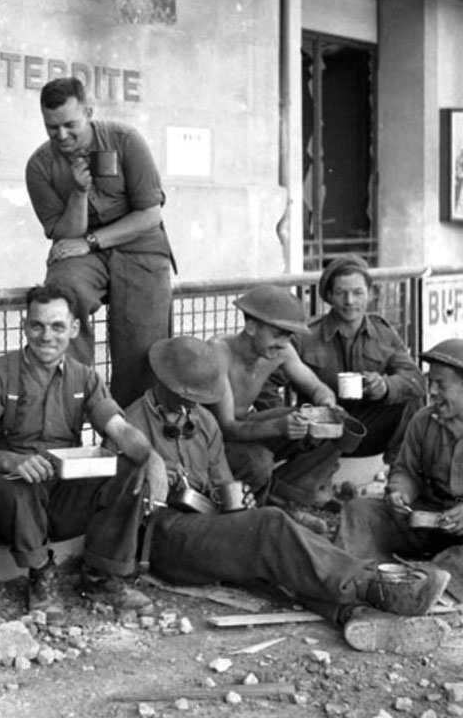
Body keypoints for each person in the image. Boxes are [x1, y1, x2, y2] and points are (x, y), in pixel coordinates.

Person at [126, 336, 450, 654]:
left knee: (282, 554)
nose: (191, 404)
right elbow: (121, 504)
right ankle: (375, 586)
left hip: (207, 527)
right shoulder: (132, 424)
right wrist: (153, 478)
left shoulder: (203, 421)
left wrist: (237, 502)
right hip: (164, 537)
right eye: (185, 395)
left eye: (197, 396)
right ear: (164, 381)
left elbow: (223, 486)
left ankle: (354, 614)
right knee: (271, 527)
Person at [0, 282, 169, 622]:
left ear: (73, 329)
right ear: (26, 327)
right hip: (9, 499)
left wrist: (152, 459)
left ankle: (101, 577)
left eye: (57, 326)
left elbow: (119, 429)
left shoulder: (84, 378)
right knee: (16, 484)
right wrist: (14, 461)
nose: (46, 336)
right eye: (37, 325)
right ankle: (41, 576)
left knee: (127, 469)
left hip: (58, 494)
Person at [25, 77, 175, 408]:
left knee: (142, 349)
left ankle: (132, 431)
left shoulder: (125, 141)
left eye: (70, 125)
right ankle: (71, 405)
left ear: (89, 112)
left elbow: (150, 215)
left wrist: (92, 241)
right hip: (83, 252)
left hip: (140, 246)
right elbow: (64, 235)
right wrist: (78, 193)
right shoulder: (39, 166)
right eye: (52, 128)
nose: (61, 136)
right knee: (63, 290)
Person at [210, 285, 363, 510]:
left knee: (332, 422)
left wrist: (328, 406)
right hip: (211, 440)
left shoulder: (282, 350)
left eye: (288, 335)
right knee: (258, 461)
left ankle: (288, 496)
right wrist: (279, 427)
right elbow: (227, 428)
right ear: (251, 326)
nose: (283, 342)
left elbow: (318, 389)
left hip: (243, 428)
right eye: (277, 334)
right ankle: (252, 514)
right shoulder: (219, 352)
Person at [334, 338, 463, 589]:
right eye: (430, 382)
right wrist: (399, 492)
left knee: (456, 562)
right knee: (360, 512)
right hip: (427, 520)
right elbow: (406, 470)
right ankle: (355, 579)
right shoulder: (423, 420)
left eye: (441, 385)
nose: (432, 392)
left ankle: (428, 581)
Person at [290, 254, 425, 462]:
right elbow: (268, 382)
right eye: (341, 293)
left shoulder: (384, 333)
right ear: (329, 296)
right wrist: (292, 422)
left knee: (411, 396)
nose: (349, 301)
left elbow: (414, 378)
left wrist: (385, 386)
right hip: (322, 434)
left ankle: (400, 472)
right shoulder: (305, 336)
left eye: (358, 292)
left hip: (368, 428)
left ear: (370, 294)